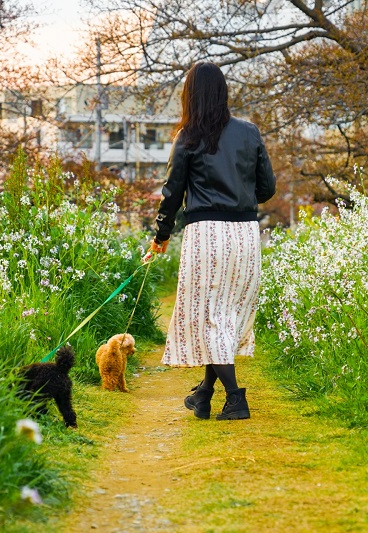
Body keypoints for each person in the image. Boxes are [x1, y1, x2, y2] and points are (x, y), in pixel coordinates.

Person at [146, 62, 276, 420]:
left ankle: (235, 399)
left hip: (206, 235)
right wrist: (241, 196)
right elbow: (268, 187)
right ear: (222, 93)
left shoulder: (188, 136)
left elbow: (172, 192)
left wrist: (161, 235)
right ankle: (203, 394)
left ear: (191, 94)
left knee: (211, 317)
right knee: (225, 315)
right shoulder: (249, 133)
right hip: (246, 235)